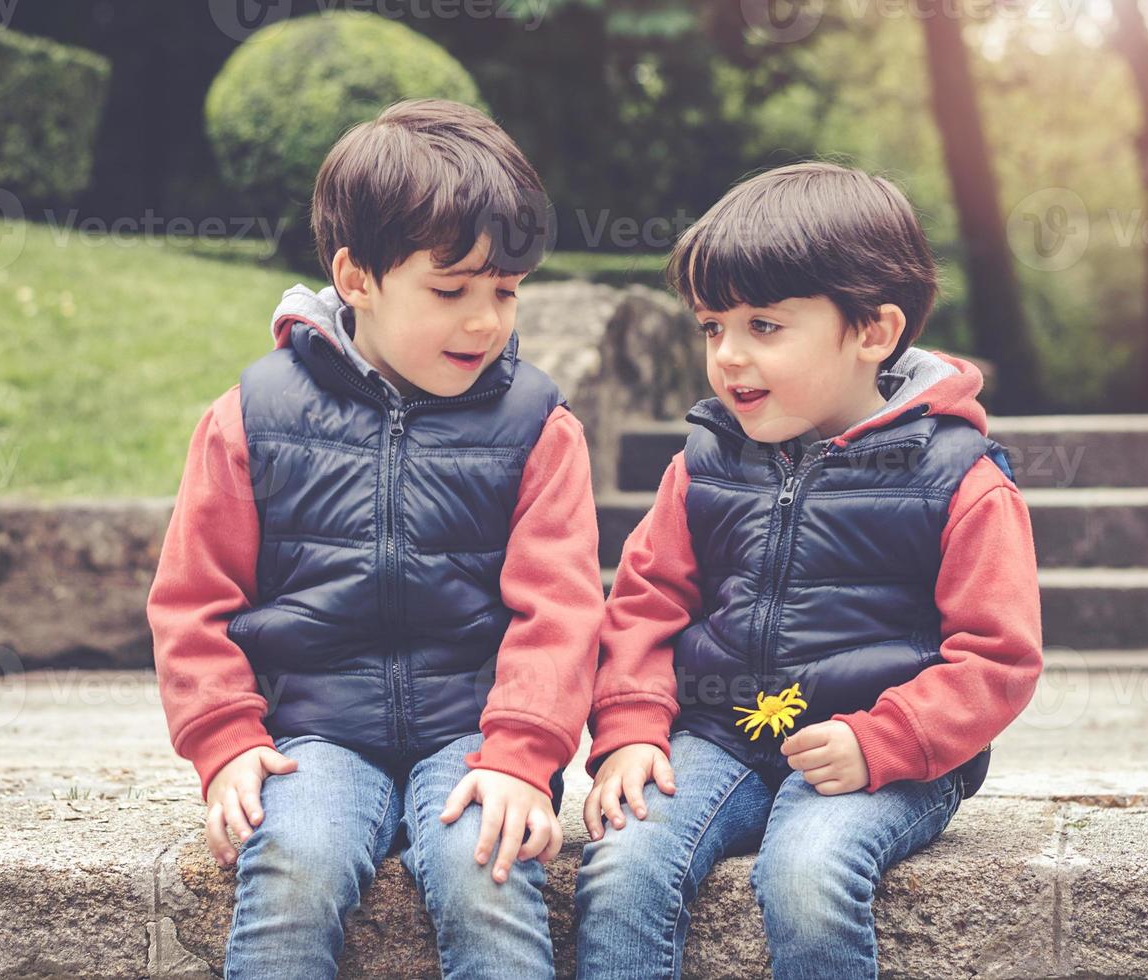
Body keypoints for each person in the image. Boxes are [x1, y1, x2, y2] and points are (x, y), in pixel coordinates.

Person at [147, 98, 603, 979]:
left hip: (480, 736)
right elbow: (193, 600)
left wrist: (521, 755)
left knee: (489, 864)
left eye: (505, 292)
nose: (485, 320)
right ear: (356, 279)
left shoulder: (538, 425)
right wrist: (227, 740)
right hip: (312, 735)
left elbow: (562, 611)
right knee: (293, 863)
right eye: (451, 290)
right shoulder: (254, 417)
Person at [575, 161, 1044, 979]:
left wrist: (883, 739)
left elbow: (998, 658)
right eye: (711, 326)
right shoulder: (706, 462)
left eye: (764, 326)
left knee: (804, 874)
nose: (727, 356)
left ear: (872, 331)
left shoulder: (959, 479)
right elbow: (645, 603)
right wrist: (629, 731)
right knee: (621, 864)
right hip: (719, 735)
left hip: (887, 756)